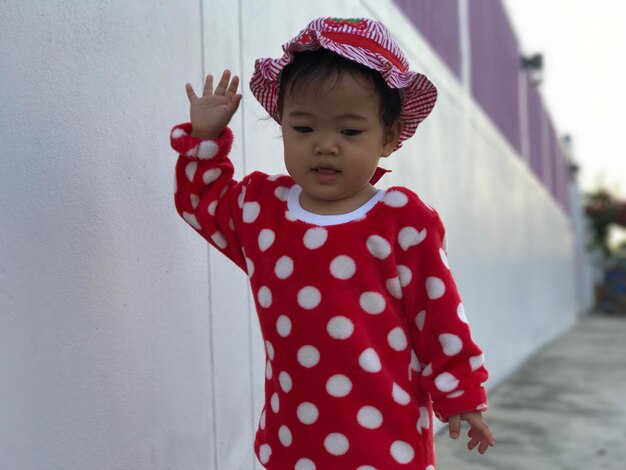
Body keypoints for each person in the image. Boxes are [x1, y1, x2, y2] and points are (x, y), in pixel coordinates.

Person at [170, 16, 494, 470]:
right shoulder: (262, 210)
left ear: (389, 136)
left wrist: (461, 393)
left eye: (349, 131)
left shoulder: (402, 221)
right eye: (304, 129)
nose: (325, 146)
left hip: (385, 438)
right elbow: (201, 201)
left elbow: (438, 317)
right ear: (281, 124)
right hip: (292, 436)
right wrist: (205, 139)